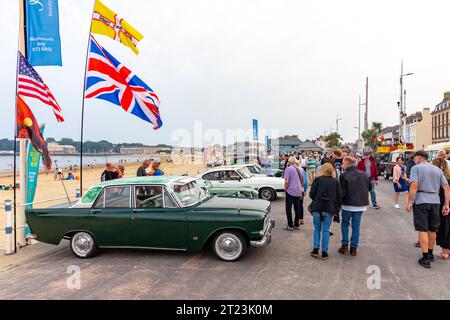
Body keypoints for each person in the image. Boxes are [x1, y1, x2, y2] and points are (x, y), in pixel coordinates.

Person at [407, 151, 450, 268]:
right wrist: (446, 204)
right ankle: (430, 254)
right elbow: (446, 187)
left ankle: (425, 258)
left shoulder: (416, 168)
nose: (413, 160)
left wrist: (410, 201)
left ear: (420, 157)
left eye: (414, 157)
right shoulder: (437, 169)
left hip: (421, 200)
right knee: (432, 229)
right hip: (435, 201)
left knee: (422, 229)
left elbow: (414, 185)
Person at [309, 163, 342, 260]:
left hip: (317, 207)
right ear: (331, 170)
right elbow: (339, 197)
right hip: (329, 208)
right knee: (326, 230)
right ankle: (324, 252)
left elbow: (311, 195)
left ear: (322, 170)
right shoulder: (335, 182)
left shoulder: (317, 180)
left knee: (317, 228)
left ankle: (315, 250)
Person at [339, 156, 370, 256]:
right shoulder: (364, 174)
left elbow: (342, 192)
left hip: (347, 204)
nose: (342, 165)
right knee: (356, 226)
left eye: (343, 163)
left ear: (347, 164)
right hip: (360, 204)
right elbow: (369, 187)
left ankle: (344, 245)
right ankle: (353, 248)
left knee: (345, 224)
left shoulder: (343, 175)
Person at [432, 158, 450, 260]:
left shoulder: (439, 179)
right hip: (447, 203)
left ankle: (445, 251)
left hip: (443, 203)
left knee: (443, 226)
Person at [283, 156, 305, 231]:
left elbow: (286, 182)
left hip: (290, 191)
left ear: (289, 162)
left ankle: (290, 225)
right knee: (297, 209)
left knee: (288, 209)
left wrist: (285, 189)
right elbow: (302, 181)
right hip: (298, 191)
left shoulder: (288, 169)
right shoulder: (299, 169)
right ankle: (296, 224)